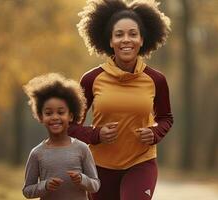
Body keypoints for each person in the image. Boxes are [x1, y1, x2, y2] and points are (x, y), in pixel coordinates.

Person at [69, 0, 173, 199]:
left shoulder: (156, 80)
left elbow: (166, 117)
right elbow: (72, 126)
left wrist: (155, 132)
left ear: (142, 40)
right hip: (100, 167)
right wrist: (96, 135)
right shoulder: (91, 79)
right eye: (119, 34)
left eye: (133, 34)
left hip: (141, 162)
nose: (126, 40)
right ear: (109, 41)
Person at [22, 73, 100, 200]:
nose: (55, 117)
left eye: (61, 112)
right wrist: (44, 185)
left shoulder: (82, 149)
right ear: (41, 117)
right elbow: (27, 190)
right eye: (48, 113)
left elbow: (95, 185)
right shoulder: (37, 153)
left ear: (70, 116)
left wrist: (82, 179)